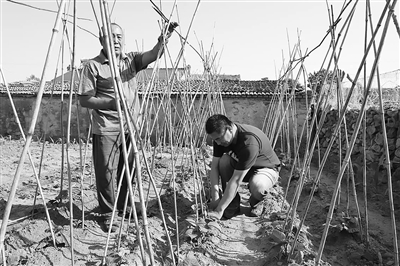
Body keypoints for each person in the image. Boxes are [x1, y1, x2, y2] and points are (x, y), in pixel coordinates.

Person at [78, 22, 177, 231]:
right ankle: (107, 213)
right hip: (106, 127)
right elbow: (84, 100)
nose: (115, 40)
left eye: (119, 37)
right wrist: (110, 103)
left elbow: (153, 54)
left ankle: (123, 206)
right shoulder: (92, 66)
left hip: (130, 125)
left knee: (128, 170)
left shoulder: (130, 60)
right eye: (111, 36)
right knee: (106, 172)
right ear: (101, 40)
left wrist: (163, 39)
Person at [205, 114, 281, 220]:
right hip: (243, 167)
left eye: (219, 139)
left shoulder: (248, 143)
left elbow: (236, 181)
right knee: (224, 161)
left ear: (230, 129)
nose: (217, 143)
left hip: (264, 169)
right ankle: (232, 205)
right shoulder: (220, 138)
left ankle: (256, 202)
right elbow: (214, 167)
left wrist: (219, 210)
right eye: (215, 140)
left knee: (259, 187)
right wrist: (215, 198)